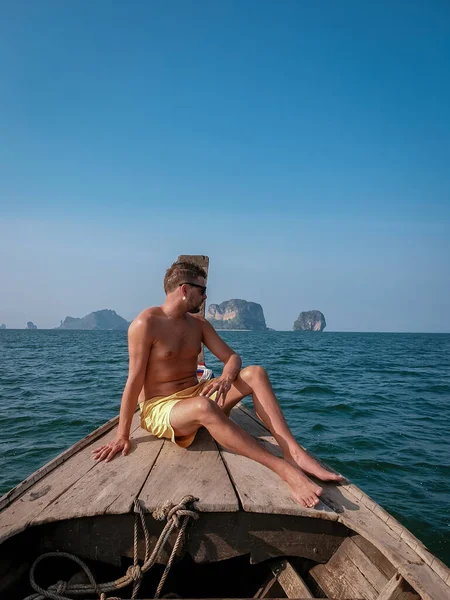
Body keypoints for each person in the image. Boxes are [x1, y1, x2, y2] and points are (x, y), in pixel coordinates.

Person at [93, 261, 342, 508]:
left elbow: (233, 357)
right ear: (184, 289)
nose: (205, 297)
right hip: (162, 407)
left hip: (197, 395)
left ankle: (293, 452)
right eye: (202, 290)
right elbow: (133, 382)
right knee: (203, 406)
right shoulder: (145, 324)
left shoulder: (199, 325)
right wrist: (122, 435)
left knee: (256, 373)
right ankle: (283, 469)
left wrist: (225, 378)